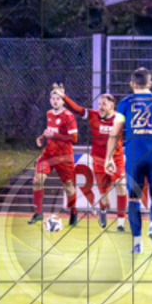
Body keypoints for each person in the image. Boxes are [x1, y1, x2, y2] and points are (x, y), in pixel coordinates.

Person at [105, 68, 152, 255]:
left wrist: (108, 158)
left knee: (134, 198)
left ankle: (137, 242)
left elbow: (115, 132)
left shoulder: (125, 103)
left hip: (135, 156)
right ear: (150, 84)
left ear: (132, 84)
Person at [56, 86, 128, 232]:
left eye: (104, 104)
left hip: (116, 159)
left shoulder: (119, 118)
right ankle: (103, 210)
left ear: (112, 106)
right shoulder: (93, 115)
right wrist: (64, 97)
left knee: (121, 185)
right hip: (98, 160)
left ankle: (121, 220)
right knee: (105, 197)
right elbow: (78, 109)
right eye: (99, 104)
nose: (100, 107)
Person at [29, 86, 79, 227]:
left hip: (64, 157)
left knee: (69, 187)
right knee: (37, 180)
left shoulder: (69, 116)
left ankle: (74, 211)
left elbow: (74, 138)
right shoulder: (49, 113)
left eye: (58, 99)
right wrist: (42, 137)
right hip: (48, 154)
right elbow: (50, 132)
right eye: (53, 98)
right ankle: (38, 213)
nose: (55, 101)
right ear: (50, 100)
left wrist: (54, 135)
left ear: (63, 101)